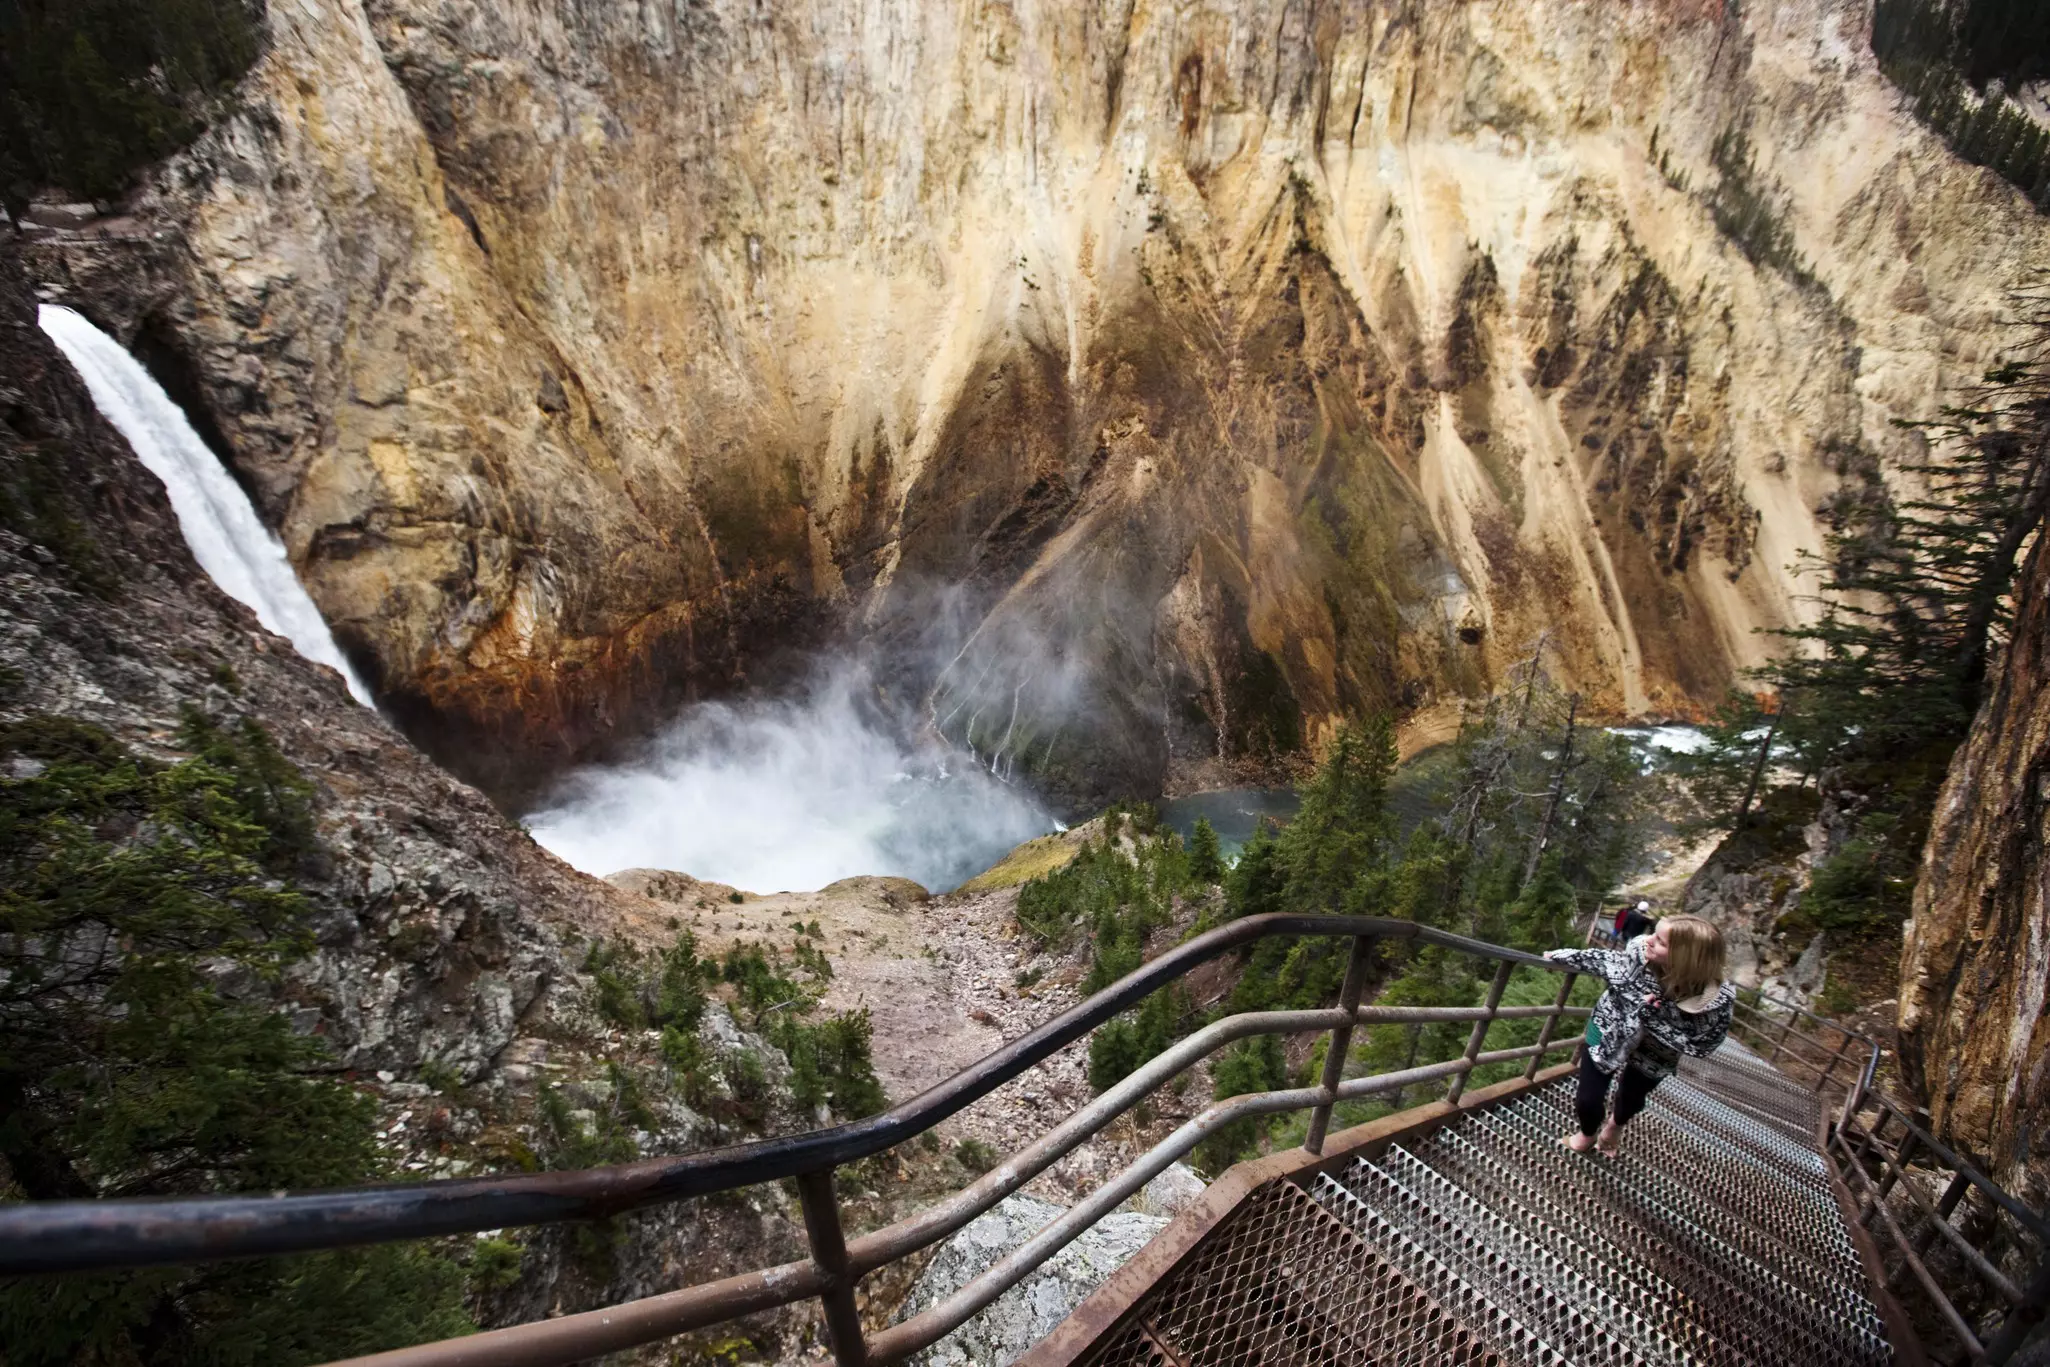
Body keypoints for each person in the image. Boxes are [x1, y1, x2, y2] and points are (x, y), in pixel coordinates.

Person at [1543, 915, 1735, 1158]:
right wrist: (1563, 956)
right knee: (1587, 1099)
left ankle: (1615, 1126)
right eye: (1653, 933)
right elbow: (1609, 960)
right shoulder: (1638, 954)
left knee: (1632, 1099)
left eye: (1661, 941)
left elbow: (1705, 1043)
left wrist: (1656, 1017)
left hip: (1656, 1053)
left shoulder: (1713, 1003)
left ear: (1686, 957)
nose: (1648, 940)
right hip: (1609, 1027)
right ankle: (1588, 1133)